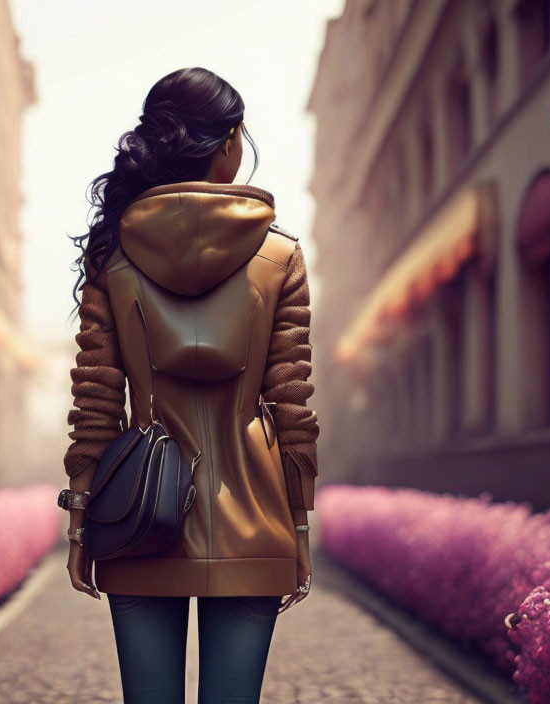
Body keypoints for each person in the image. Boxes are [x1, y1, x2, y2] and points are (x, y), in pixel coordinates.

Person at [62, 66, 321, 704]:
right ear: (229, 141)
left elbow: (95, 400)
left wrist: (79, 524)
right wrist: (300, 527)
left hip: (137, 516)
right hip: (256, 517)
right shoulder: (280, 255)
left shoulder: (110, 255)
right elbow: (293, 406)